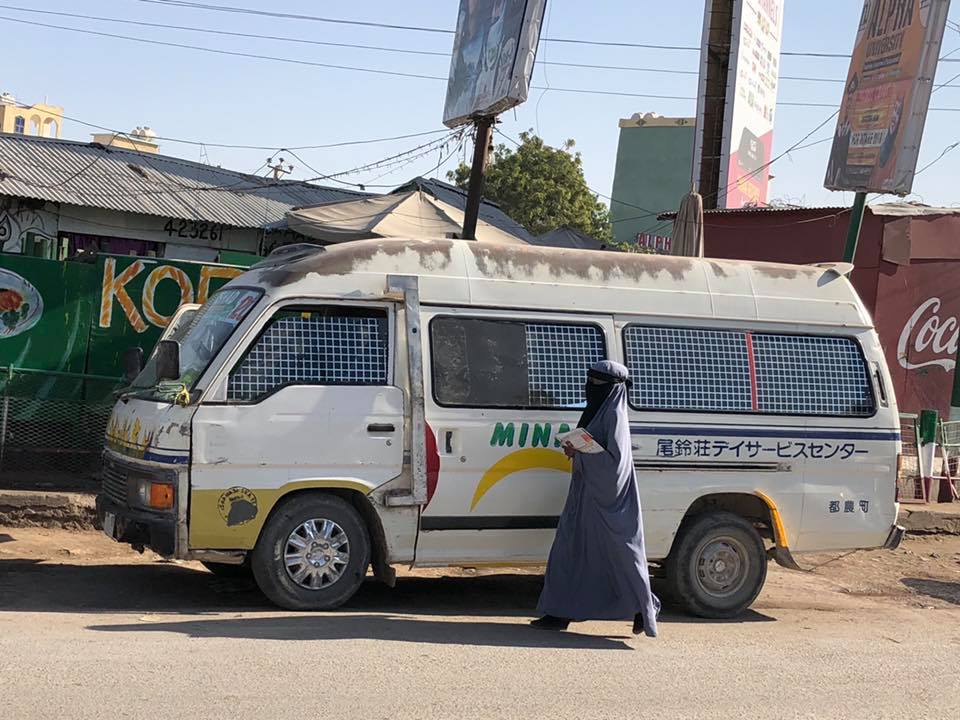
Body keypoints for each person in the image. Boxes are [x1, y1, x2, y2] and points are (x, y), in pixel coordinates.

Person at [532, 360, 660, 637]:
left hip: (610, 503)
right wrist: (575, 450)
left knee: (622, 557)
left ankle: (644, 609)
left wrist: (581, 456)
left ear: (611, 389)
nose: (591, 388)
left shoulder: (614, 415)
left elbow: (615, 466)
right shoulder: (597, 411)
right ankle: (557, 613)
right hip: (585, 497)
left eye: (597, 383)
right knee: (569, 552)